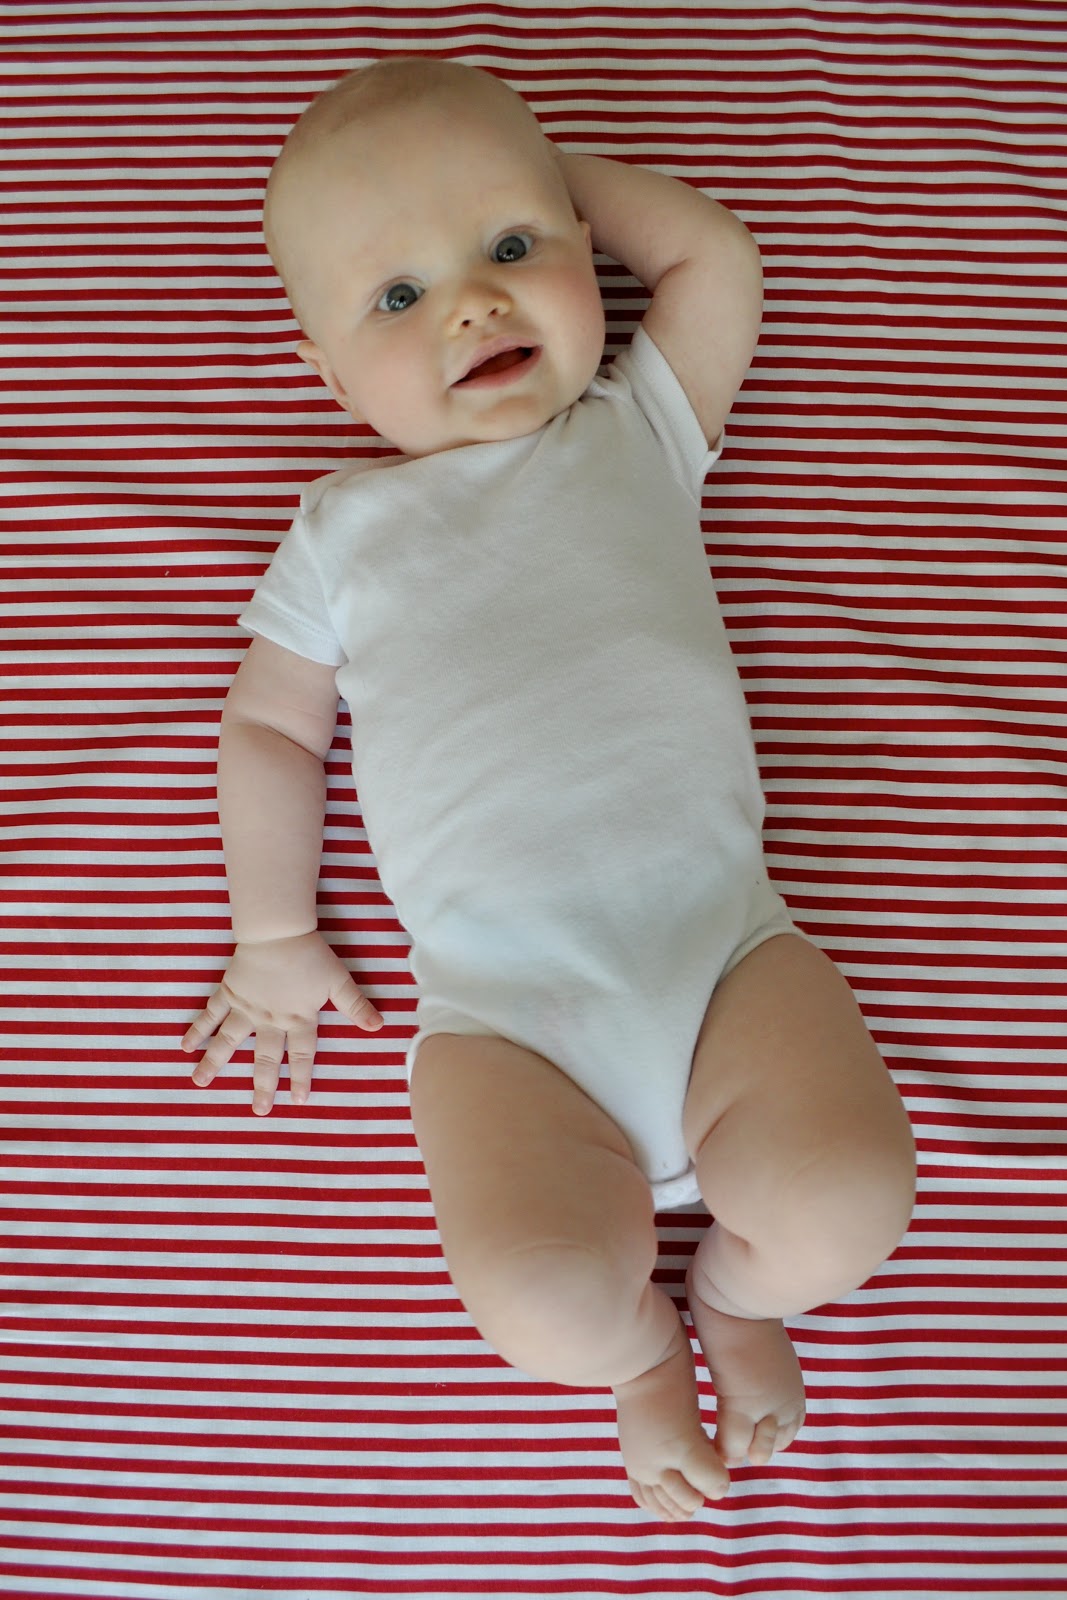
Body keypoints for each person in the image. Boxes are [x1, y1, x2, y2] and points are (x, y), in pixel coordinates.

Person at [182, 56, 916, 1521]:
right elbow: (267, 730)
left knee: (850, 1198)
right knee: (534, 1299)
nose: (472, 303)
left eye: (510, 248)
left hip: (724, 951)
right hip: (505, 1020)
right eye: (399, 294)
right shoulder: (341, 534)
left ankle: (739, 1296)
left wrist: (549, 182)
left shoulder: (635, 431)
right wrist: (273, 937)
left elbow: (713, 261)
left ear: (586, 253)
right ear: (331, 379)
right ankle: (640, 1359)